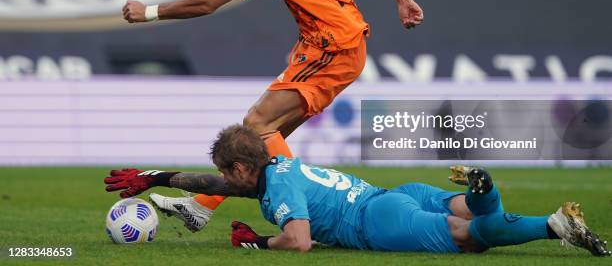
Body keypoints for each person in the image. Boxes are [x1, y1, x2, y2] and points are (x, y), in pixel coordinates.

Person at [120, 0, 424, 231]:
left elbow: (206, 3)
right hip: (340, 43)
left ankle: (305, 217)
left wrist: (149, 12)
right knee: (260, 141)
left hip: (331, 47)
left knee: (257, 123)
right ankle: (202, 205)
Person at [104, 125, 610, 256]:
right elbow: (217, 184)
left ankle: (551, 225)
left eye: (224, 170)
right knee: (465, 205)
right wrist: (156, 178)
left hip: (378, 223)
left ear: (242, 167)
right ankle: (486, 191)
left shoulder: (277, 187)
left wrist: (257, 242)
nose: (219, 179)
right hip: (393, 193)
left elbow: (299, 240)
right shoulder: (277, 167)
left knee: (470, 237)